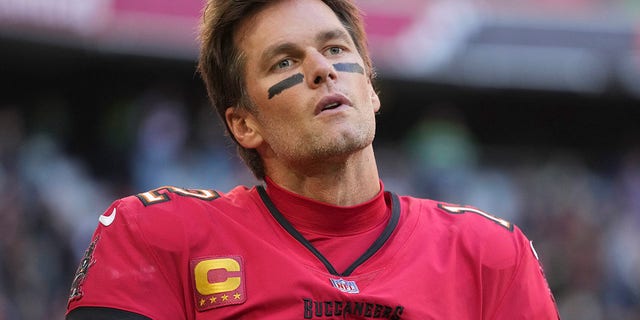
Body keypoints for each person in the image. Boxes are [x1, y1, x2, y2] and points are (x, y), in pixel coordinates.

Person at [65, 0, 560, 319]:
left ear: (372, 90)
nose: (323, 70)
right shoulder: (156, 232)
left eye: (335, 48)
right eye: (285, 61)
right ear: (244, 124)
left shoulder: (491, 254)